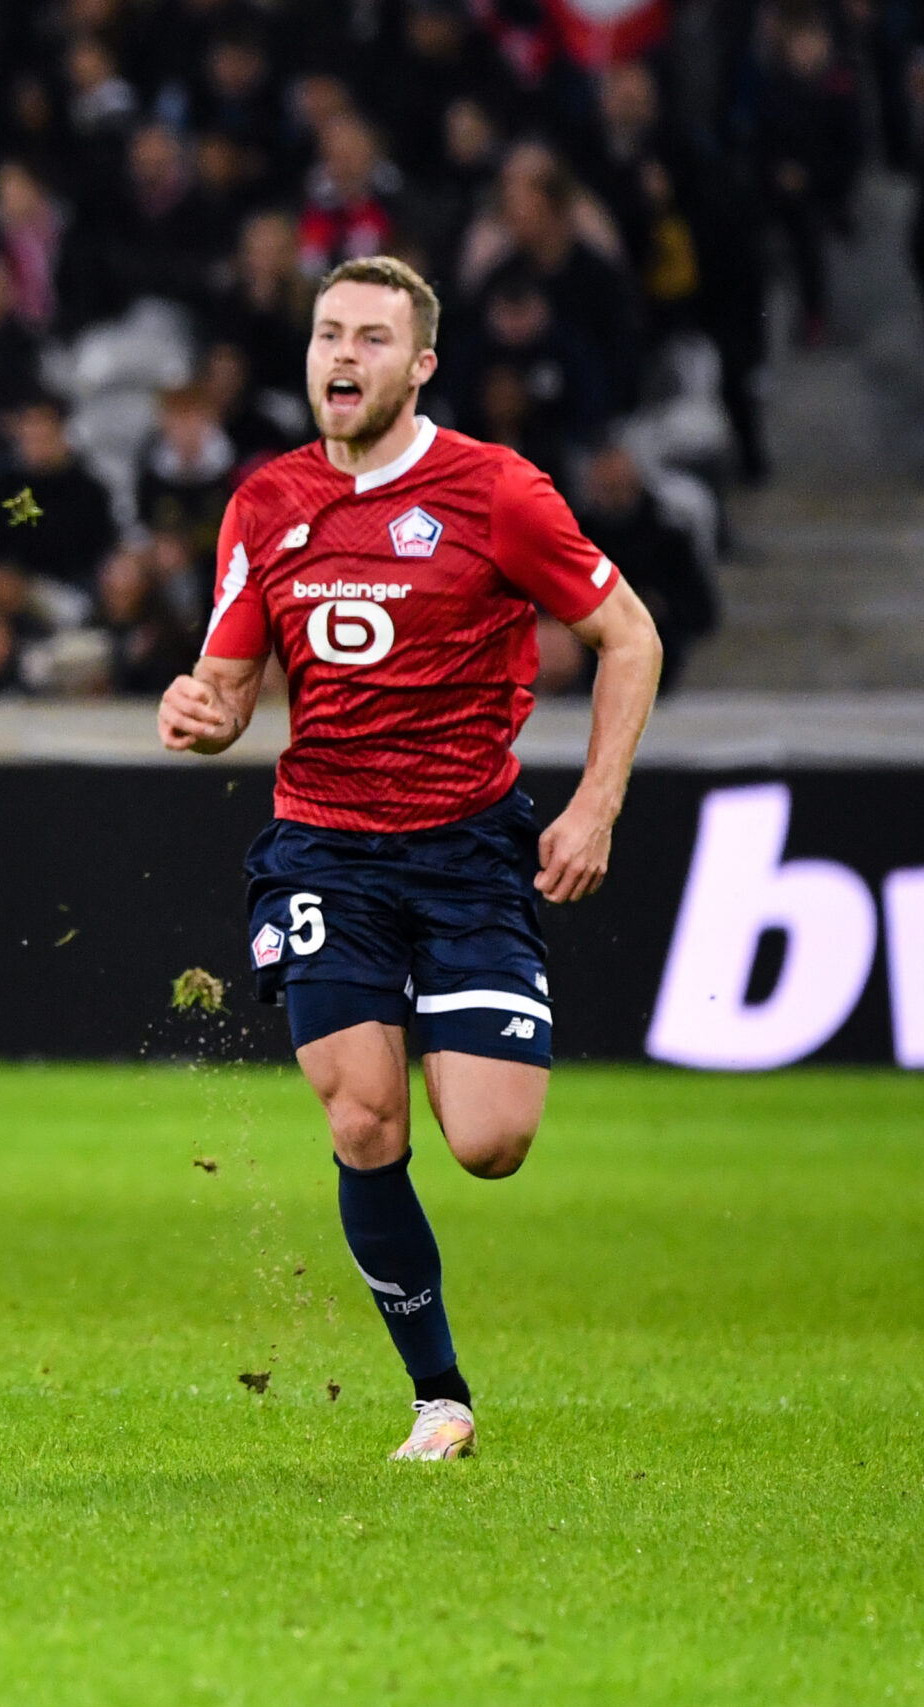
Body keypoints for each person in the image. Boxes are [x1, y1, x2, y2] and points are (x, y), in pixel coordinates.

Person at [157, 256, 662, 1463]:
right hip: (323, 847)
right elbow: (230, 687)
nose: (342, 356)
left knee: (487, 1141)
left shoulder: (496, 495)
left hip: (465, 849)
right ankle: (440, 1397)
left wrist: (591, 810)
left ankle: (457, 1033)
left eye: (372, 339)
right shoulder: (266, 503)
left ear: (420, 363)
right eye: (329, 333)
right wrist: (199, 710)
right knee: (364, 1120)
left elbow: (626, 636)